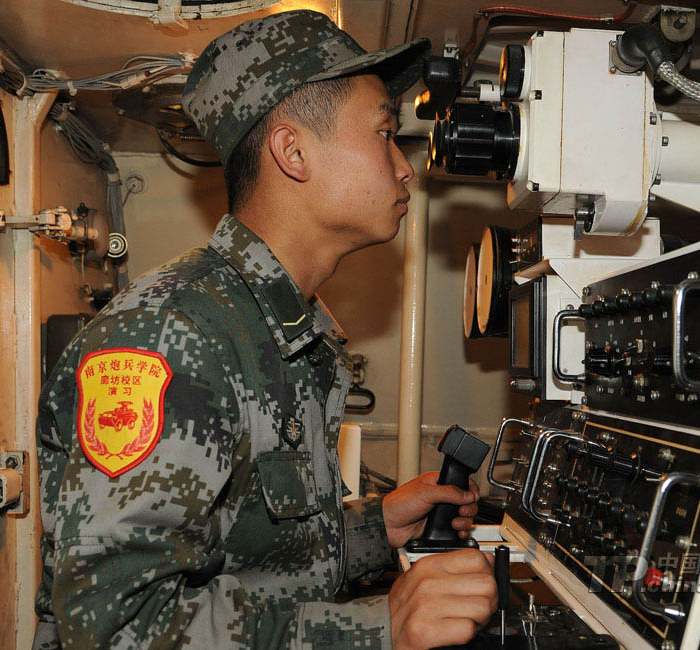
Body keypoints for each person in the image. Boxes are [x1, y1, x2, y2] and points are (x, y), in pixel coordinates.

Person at [32, 10, 497, 650]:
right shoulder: (171, 335)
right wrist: (376, 630)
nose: (403, 166)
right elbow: (116, 628)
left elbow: (251, 553)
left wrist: (370, 529)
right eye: (384, 134)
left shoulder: (282, 329)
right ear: (293, 151)